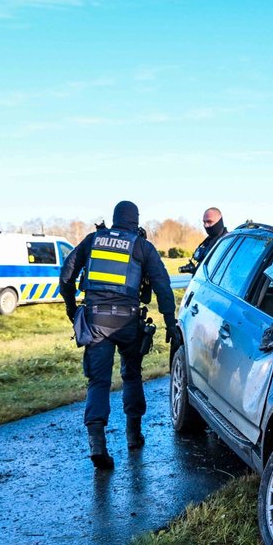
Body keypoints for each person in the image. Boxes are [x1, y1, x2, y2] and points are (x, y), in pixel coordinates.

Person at [59, 200, 177, 470]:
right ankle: (133, 436)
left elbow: (66, 276)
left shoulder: (93, 240)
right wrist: (170, 323)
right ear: (135, 221)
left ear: (114, 219)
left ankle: (97, 443)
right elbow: (162, 286)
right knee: (132, 375)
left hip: (96, 320)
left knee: (98, 382)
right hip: (127, 322)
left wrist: (71, 308)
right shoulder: (141, 246)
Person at [178, 206, 229, 274]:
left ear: (219, 221)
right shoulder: (206, 242)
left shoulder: (227, 243)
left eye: (209, 222)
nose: (206, 225)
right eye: (204, 222)